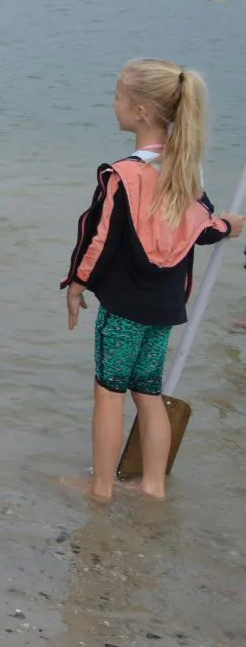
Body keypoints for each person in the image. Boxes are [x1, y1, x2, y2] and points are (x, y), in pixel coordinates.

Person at [62, 59, 241, 501]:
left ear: (141, 111)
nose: (113, 104)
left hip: (124, 307)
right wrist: (229, 227)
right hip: (164, 308)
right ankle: (153, 486)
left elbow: (99, 238)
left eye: (118, 98)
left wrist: (76, 284)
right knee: (148, 392)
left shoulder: (123, 175)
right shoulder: (186, 173)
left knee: (109, 393)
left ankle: (101, 487)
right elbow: (202, 229)